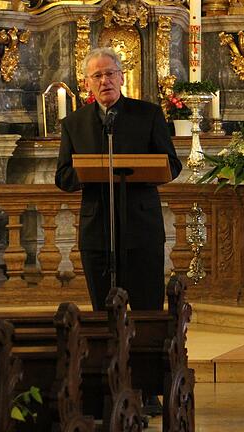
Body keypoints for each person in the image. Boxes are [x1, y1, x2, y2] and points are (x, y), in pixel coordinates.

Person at [55, 47, 182, 312]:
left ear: (122, 77)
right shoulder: (73, 124)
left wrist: (136, 169)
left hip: (141, 227)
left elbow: (172, 164)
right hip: (97, 231)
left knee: (148, 308)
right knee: (104, 312)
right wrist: (91, 172)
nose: (105, 81)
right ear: (87, 83)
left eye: (110, 73)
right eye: (97, 75)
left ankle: (148, 353)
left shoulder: (149, 115)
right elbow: (63, 176)